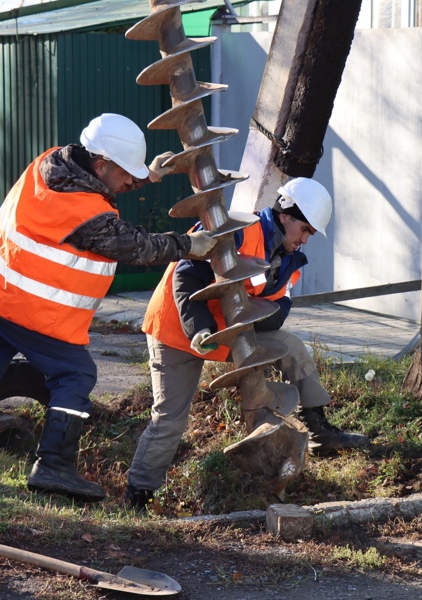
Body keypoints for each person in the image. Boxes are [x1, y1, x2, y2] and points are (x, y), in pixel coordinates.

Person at [0, 113, 217, 502]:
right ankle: (54, 466)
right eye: (125, 173)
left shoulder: (52, 163)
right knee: (75, 374)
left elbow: (97, 187)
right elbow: (133, 245)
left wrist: (149, 175)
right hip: (28, 307)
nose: (128, 182)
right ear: (101, 163)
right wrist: (188, 246)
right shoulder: (85, 211)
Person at [126, 177, 369, 510]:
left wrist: (249, 325)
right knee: (170, 418)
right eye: (306, 230)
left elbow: (279, 308)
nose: (306, 240)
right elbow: (186, 275)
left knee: (292, 348)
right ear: (286, 214)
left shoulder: (289, 261)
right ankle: (139, 493)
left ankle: (318, 430)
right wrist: (200, 328)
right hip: (179, 330)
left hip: (230, 332)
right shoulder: (236, 230)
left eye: (311, 233)